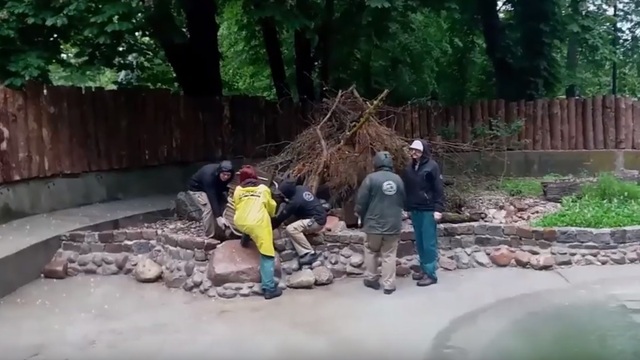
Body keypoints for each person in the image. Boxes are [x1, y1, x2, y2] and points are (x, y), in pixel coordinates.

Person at [355, 151, 405, 295]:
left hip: (373, 225)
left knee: (371, 251)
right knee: (389, 254)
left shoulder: (370, 179)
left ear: (376, 163)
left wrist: (360, 215)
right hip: (393, 225)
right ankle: (389, 285)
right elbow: (403, 201)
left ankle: (371, 279)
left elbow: (361, 202)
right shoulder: (398, 180)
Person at [233, 165, 281, 300]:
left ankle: (245, 237)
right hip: (259, 224)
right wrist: (270, 215)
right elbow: (271, 207)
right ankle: (269, 288)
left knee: (248, 223)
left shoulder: (237, 190)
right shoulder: (264, 189)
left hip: (240, 222)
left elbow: (237, 205)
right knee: (267, 255)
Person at [401, 139, 445, 287]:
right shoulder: (410, 168)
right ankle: (424, 269)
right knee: (419, 242)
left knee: (429, 243)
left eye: (417, 150)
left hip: (428, 210)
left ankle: (431, 274)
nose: (414, 152)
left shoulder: (432, 167)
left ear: (423, 151)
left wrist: (438, 209)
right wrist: (406, 208)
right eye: (412, 150)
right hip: (415, 209)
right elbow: (408, 190)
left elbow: (438, 189)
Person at [271, 180, 327, 266]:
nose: (281, 195)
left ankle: (309, 253)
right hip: (319, 215)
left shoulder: (294, 202)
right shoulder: (301, 188)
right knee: (290, 221)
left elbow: (281, 217)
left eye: (282, 193)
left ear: (287, 193)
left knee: (291, 229)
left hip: (316, 221)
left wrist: (271, 225)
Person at [187, 160, 235, 238]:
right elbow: (212, 196)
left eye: (228, 175)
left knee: (225, 204)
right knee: (209, 208)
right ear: (219, 172)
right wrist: (218, 217)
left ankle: (222, 231)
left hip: (215, 188)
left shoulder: (231, 176)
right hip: (198, 189)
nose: (226, 177)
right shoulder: (209, 176)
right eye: (224, 174)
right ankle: (210, 235)